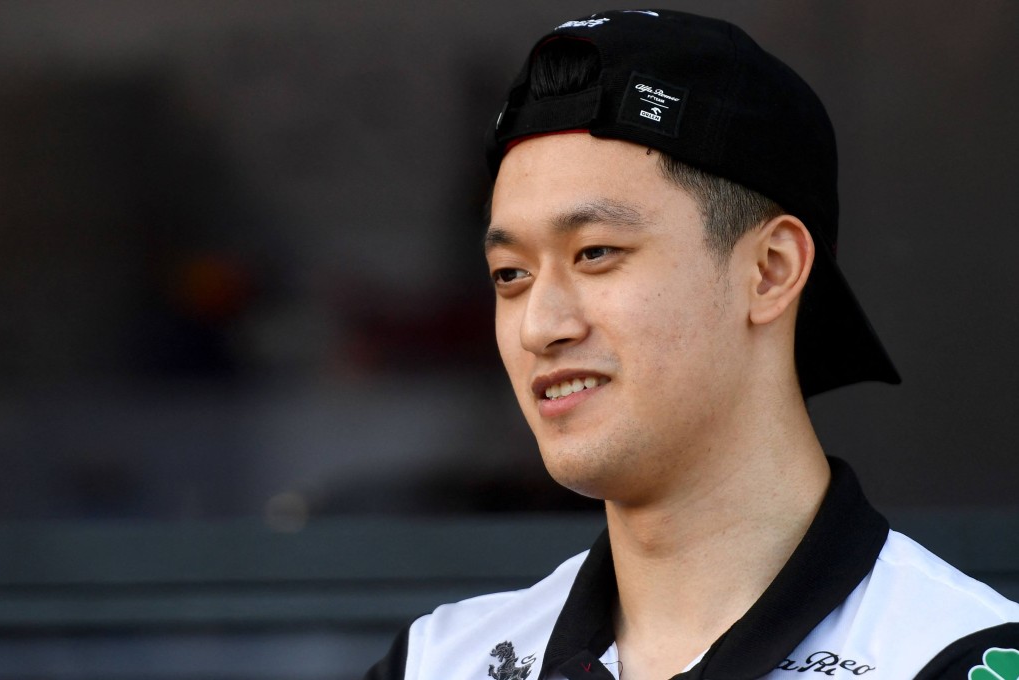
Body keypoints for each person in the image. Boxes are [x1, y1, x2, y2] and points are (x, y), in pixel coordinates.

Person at [366, 9, 1019, 679]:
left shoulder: (954, 657)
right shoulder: (438, 662)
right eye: (510, 274)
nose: (539, 326)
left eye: (595, 253)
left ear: (770, 271)